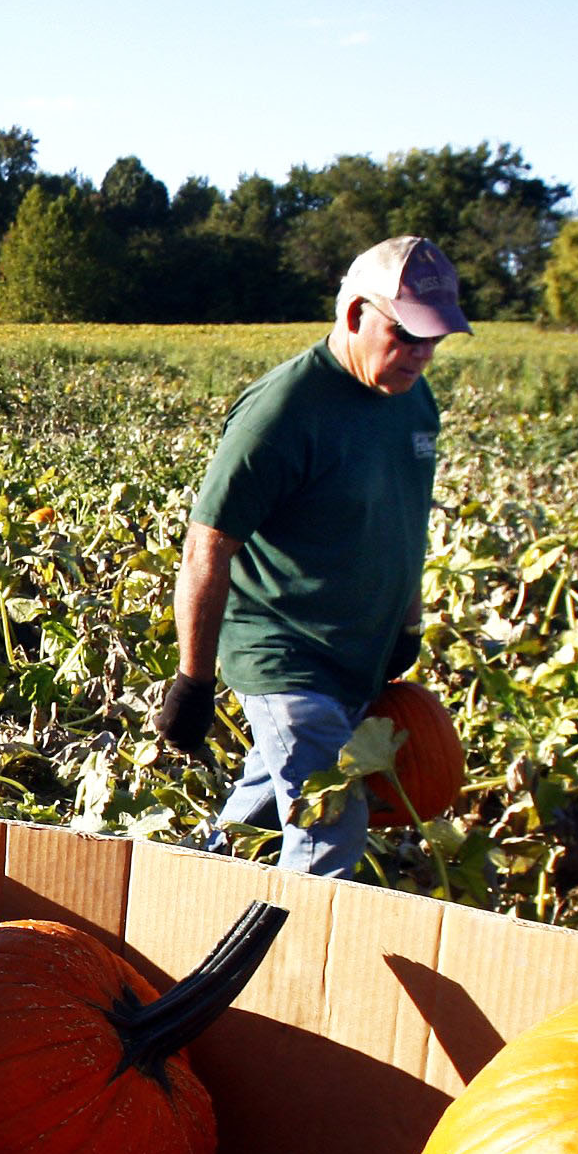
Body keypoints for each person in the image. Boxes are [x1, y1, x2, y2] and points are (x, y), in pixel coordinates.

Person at [155, 235, 468, 877]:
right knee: (333, 821)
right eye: (407, 335)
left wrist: (407, 624)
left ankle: (197, 899)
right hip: (288, 654)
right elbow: (206, 546)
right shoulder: (282, 413)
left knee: (263, 812)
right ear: (355, 314)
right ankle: (294, 970)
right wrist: (194, 680)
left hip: (359, 657)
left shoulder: (413, 398)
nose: (421, 354)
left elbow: (408, 518)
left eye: (434, 339)